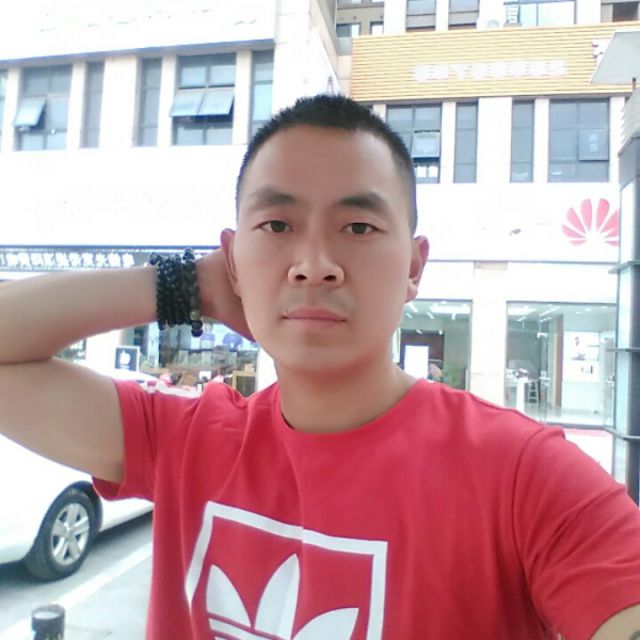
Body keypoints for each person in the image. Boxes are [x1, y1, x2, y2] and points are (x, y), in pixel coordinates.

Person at [0, 95, 639, 640]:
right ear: (232, 260)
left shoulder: (525, 475)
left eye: (358, 228)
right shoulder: (184, 442)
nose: (314, 265)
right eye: (277, 224)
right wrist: (183, 286)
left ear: (414, 267)